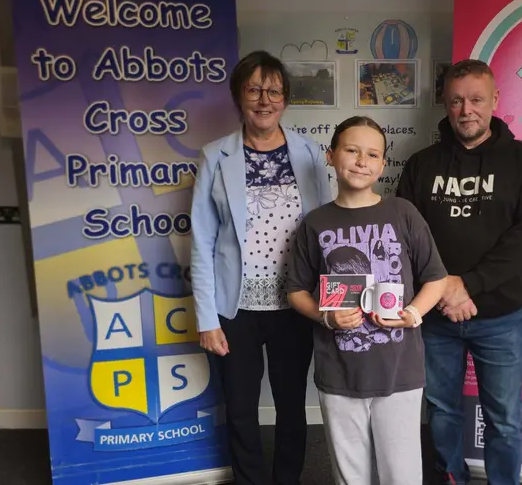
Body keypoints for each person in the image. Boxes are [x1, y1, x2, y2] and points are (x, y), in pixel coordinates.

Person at [396, 59, 522, 485]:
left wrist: (467, 285)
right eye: (456, 101)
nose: (466, 109)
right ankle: (451, 479)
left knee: (503, 418)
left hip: (501, 317)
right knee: (442, 410)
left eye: (476, 99)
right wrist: (443, 289)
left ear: (495, 100)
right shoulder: (420, 164)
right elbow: (405, 237)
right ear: (445, 104)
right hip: (434, 318)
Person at [190, 50, 332, 485]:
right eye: (254, 89)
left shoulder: (310, 153)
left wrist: (330, 302)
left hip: (296, 303)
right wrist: (207, 318)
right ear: (239, 96)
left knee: (292, 405)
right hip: (236, 310)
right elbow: (202, 240)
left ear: (285, 99)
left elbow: (327, 233)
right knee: (240, 407)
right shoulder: (215, 156)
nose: (264, 100)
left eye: (274, 91)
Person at [285, 116, 449, 485]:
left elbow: (436, 278)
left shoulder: (403, 213)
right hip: (339, 373)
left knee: (402, 474)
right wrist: (326, 318)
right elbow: (295, 290)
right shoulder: (315, 223)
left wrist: (413, 313)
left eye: (373, 154)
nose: (362, 161)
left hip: (400, 371)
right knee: (350, 476)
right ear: (331, 156)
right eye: (352, 150)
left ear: (382, 165)